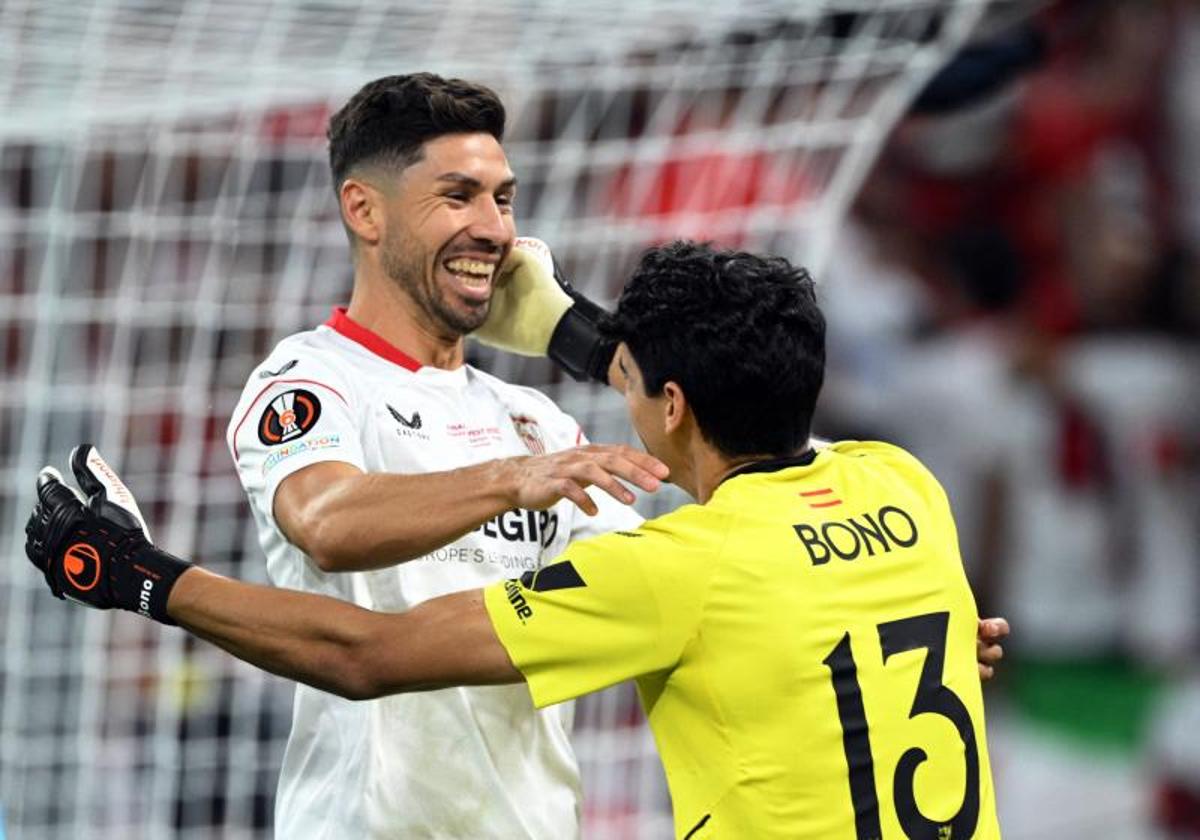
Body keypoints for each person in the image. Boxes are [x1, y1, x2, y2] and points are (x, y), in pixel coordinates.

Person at [28, 240, 1006, 839]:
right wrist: (582, 333)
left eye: (628, 384)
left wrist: (142, 578)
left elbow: (365, 654)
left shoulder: (672, 573)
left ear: (672, 404)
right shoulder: (902, 485)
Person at [222, 72, 668, 838]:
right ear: (364, 209)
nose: (496, 230)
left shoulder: (535, 421)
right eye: (458, 197)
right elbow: (325, 523)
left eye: (504, 198)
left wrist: (598, 353)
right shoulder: (309, 381)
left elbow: (666, 580)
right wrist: (507, 480)